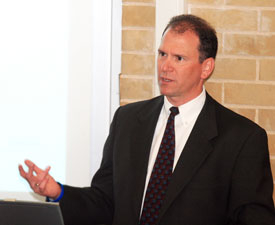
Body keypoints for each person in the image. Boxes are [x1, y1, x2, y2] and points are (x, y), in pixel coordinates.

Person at [19, 14, 275, 225]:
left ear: (206, 68)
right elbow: (104, 202)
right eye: (162, 54)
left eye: (179, 58)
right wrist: (58, 192)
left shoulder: (242, 139)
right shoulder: (128, 120)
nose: (165, 66)